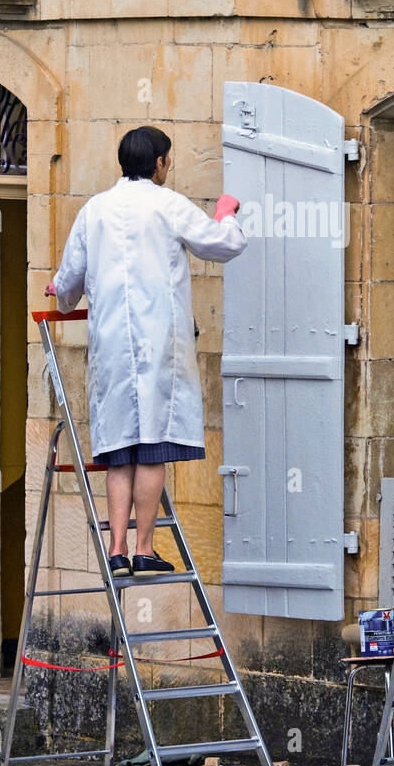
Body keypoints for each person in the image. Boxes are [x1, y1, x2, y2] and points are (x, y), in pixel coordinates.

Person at [45, 125, 245, 578]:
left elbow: (69, 279)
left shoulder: (94, 210)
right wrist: (227, 212)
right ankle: (143, 546)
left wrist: (58, 291)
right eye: (167, 160)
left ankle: (115, 549)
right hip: (158, 345)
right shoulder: (167, 204)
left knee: (119, 449)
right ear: (159, 163)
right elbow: (223, 244)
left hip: (111, 346)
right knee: (152, 446)